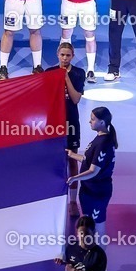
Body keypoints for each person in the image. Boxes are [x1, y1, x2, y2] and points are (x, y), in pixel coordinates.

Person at [46, 42, 85, 214]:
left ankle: (72, 201)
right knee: (54, 161)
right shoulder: (49, 73)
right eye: (62, 55)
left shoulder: (78, 73)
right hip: (54, 123)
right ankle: (53, 197)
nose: (64, 58)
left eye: (68, 55)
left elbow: (76, 99)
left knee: (72, 160)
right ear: (57, 55)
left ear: (72, 56)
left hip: (71, 122)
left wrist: (65, 78)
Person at [66, 106, 117, 225]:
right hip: (89, 191)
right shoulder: (98, 139)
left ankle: (97, 244)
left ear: (102, 122)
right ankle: (89, 243)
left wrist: (75, 178)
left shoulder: (103, 143)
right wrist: (72, 154)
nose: (90, 121)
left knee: (97, 228)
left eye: (93, 119)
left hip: (97, 192)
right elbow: (88, 160)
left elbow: (93, 170)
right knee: (89, 226)